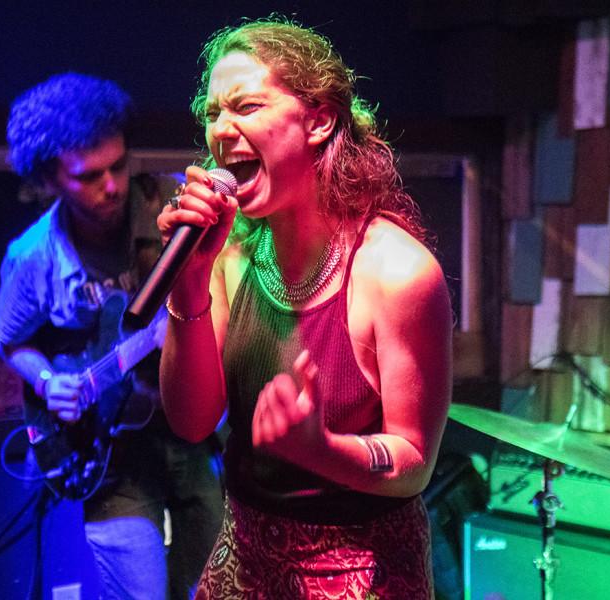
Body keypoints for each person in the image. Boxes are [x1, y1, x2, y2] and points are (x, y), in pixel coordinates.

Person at [156, 18, 453, 599]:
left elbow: (414, 461)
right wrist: (187, 285)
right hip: (244, 556)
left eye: (246, 106)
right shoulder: (230, 253)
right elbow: (191, 422)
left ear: (318, 120)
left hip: (359, 569)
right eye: (213, 113)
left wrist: (319, 450)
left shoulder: (399, 273)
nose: (222, 130)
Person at [0, 72, 223, 600]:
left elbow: (229, 280)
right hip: (110, 457)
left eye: (118, 165)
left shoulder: (172, 207)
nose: (112, 185)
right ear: (49, 179)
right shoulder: (34, 258)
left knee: (214, 590)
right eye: (89, 176)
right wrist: (50, 382)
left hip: (189, 435)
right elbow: (7, 339)